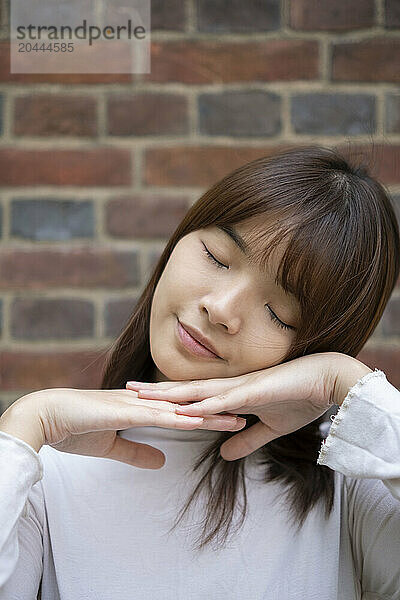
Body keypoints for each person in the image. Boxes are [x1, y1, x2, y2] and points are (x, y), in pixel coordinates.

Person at [0, 145, 399, 599]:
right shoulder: (39, 474)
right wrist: (25, 424)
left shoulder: (349, 483)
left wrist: (345, 383)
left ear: (314, 346)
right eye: (217, 257)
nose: (221, 309)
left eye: (280, 312)